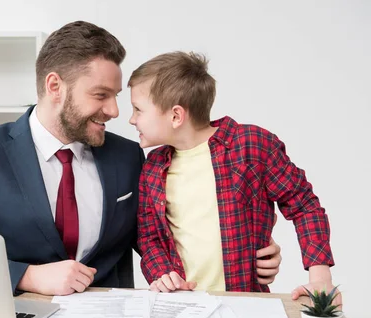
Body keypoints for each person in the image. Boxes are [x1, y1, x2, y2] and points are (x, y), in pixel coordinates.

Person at [0, 21, 282, 296]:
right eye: (101, 95)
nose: (114, 110)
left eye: (117, 95)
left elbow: (161, 234)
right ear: (55, 87)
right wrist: (26, 275)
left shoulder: (128, 157)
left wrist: (250, 246)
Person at [128, 51, 339, 304]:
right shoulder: (153, 167)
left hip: (246, 302)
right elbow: (149, 237)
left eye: (138, 110)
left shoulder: (252, 146)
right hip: (181, 305)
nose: (131, 119)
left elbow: (304, 205)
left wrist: (320, 276)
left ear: (175, 116)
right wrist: (162, 275)